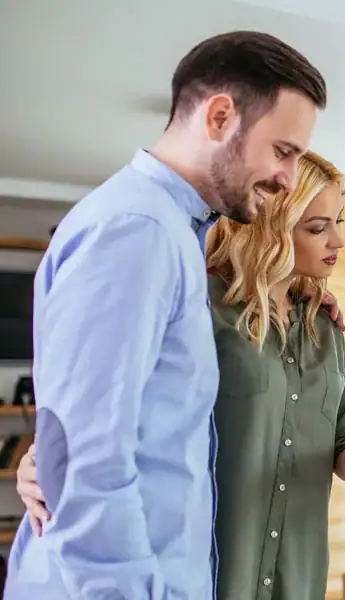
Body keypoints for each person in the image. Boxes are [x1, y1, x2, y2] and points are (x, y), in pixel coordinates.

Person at [15, 151, 345, 599]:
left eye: (339, 222)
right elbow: (117, 408)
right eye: (317, 228)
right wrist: (43, 462)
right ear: (271, 230)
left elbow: (342, 450)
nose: (338, 241)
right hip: (206, 573)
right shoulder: (197, 307)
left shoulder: (324, 327)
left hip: (297, 577)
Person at [4, 31, 328, 599]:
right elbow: (86, 460)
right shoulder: (137, 232)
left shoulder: (175, 234)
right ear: (220, 116)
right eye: (283, 151)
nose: (286, 178)